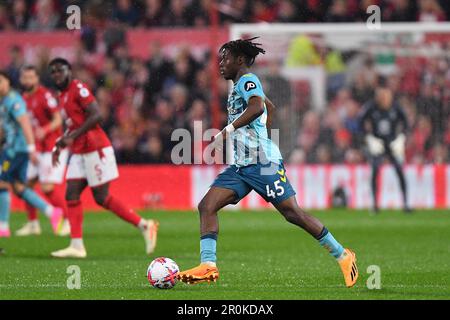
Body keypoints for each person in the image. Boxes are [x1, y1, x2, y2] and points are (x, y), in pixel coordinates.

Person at [177, 38, 358, 288]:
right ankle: (208, 266)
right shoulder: (240, 85)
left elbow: (258, 106)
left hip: (263, 164)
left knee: (292, 213)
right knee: (207, 206)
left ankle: (342, 254)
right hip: (242, 167)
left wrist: (229, 130)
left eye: (225, 58)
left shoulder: (248, 80)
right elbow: (268, 106)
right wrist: (264, 130)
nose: (220, 64)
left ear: (240, 60)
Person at [48, 58, 158, 258]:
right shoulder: (61, 95)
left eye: (59, 70)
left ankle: (144, 225)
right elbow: (73, 124)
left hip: (95, 148)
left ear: (69, 70)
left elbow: (97, 115)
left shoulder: (78, 88)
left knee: (101, 197)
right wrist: (61, 142)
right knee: (71, 194)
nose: (56, 74)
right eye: (52, 72)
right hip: (79, 151)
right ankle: (77, 245)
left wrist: (71, 137)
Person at [0, 71, 63, 238]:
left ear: (8, 82)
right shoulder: (7, 100)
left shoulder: (14, 100)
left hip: (18, 149)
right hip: (14, 148)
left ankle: (3, 226)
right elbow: (5, 128)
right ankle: (49, 214)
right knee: (21, 186)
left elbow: (26, 124)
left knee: (3, 183)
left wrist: (30, 148)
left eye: (1, 81)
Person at [15, 65, 70, 237]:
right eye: (25, 77)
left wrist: (45, 130)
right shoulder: (23, 99)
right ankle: (33, 224)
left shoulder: (45, 95)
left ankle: (67, 221)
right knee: (25, 185)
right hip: (37, 149)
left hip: (52, 147)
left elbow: (58, 119)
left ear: (37, 78)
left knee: (47, 188)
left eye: (31, 77)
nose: (28, 80)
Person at [359, 77, 410, 213]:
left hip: (392, 143)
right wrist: (369, 138)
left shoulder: (396, 107)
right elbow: (360, 122)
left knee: (399, 170)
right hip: (377, 144)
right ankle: (374, 205)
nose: (384, 99)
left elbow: (406, 123)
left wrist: (401, 138)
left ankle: (405, 203)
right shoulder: (371, 107)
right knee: (375, 170)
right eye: (381, 96)